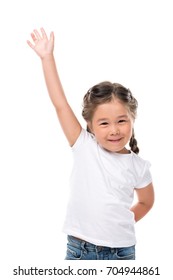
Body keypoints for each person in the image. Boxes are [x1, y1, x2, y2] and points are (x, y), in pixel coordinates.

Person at [27, 28, 154, 260]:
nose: (114, 130)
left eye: (121, 121)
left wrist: (120, 223)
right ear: (90, 124)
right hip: (80, 250)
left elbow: (146, 201)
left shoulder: (139, 165)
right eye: (104, 123)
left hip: (122, 253)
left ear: (132, 119)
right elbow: (60, 104)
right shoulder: (84, 145)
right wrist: (47, 57)